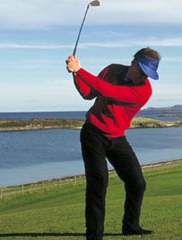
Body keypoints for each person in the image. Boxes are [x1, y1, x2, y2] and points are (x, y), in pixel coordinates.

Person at [66, 47, 160, 240]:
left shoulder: (144, 90)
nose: (143, 76)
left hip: (116, 137)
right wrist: (75, 74)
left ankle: (130, 226)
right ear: (133, 63)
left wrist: (79, 71)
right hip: (93, 133)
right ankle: (94, 236)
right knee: (98, 183)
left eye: (147, 74)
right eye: (141, 71)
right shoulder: (111, 70)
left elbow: (110, 92)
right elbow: (88, 93)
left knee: (137, 183)